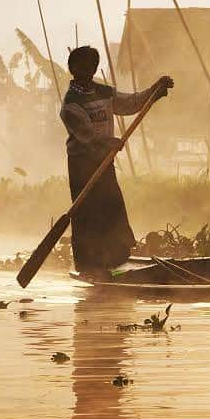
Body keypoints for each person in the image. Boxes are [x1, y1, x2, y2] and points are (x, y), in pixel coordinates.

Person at [60, 45, 173, 275]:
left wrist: (154, 91)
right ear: (73, 69)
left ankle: (115, 259)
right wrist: (108, 142)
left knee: (112, 206)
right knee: (87, 212)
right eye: (82, 67)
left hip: (105, 160)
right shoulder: (70, 104)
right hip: (82, 163)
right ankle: (89, 265)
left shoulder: (104, 92)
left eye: (91, 66)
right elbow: (85, 134)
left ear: (94, 68)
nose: (87, 71)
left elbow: (130, 103)